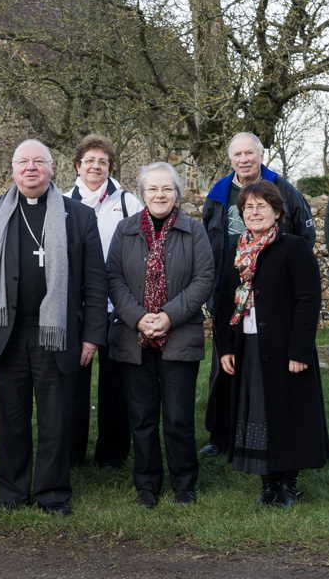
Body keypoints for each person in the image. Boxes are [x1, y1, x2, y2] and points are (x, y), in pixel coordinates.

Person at [0, 139, 108, 516]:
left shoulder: (78, 215)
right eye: (23, 162)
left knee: (56, 419)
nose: (31, 168)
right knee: (10, 419)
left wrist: (92, 335)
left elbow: (95, 282)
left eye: (38, 162)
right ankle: (10, 493)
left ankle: (53, 495)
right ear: (12, 169)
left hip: (58, 333)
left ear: (52, 168)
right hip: (6, 332)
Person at [213, 180, 329, 507]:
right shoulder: (236, 250)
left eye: (261, 206)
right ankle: (267, 483)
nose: (254, 212)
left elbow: (308, 300)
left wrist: (299, 350)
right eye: (248, 207)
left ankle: (288, 484)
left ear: (277, 212)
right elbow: (223, 302)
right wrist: (225, 348)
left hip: (285, 348)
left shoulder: (294, 248)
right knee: (257, 413)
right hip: (247, 345)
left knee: (286, 415)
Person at [106, 162, 214, 508]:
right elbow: (113, 279)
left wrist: (168, 316)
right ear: (142, 194)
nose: (160, 195)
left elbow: (204, 280)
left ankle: (185, 485)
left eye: (167, 189)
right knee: (142, 418)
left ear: (177, 193)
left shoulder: (194, 231)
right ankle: (147, 487)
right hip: (134, 339)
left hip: (179, 337)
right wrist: (139, 318)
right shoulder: (124, 231)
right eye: (153, 189)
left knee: (179, 418)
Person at [202, 132, 315, 456]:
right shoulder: (218, 194)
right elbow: (209, 238)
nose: (244, 160)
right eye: (237, 154)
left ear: (260, 155)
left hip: (273, 295)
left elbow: (304, 234)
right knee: (225, 366)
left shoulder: (284, 189)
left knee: (275, 374)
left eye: (249, 153)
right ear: (231, 159)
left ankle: (282, 440)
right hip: (231, 287)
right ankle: (222, 435)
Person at [66, 134, 143, 468]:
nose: (95, 167)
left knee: (115, 385)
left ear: (110, 167)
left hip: (118, 308)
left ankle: (112, 455)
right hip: (76, 307)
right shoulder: (61, 199)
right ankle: (72, 452)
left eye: (103, 162)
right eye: (89, 161)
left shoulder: (128, 203)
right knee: (73, 383)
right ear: (77, 165)